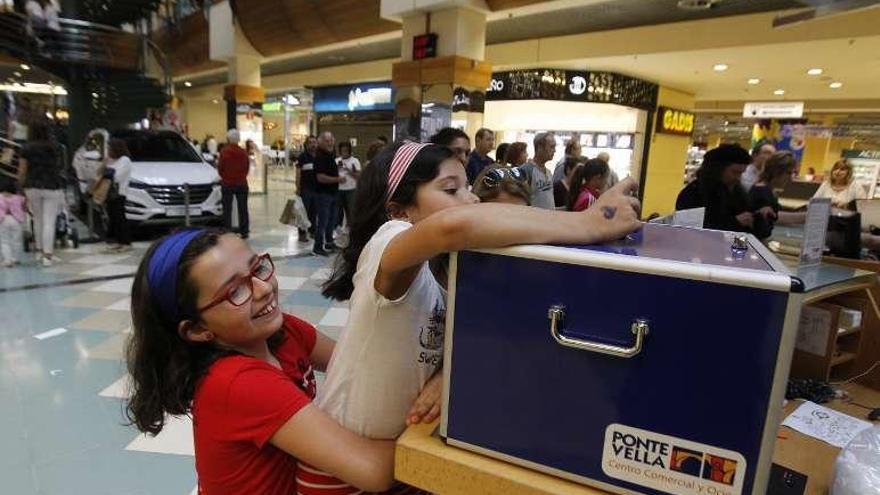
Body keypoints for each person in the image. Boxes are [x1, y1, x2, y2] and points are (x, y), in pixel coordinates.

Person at [316, 141, 641, 493]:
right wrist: (589, 222)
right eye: (451, 189)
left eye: (468, 188)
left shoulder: (448, 274)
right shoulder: (387, 243)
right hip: (343, 464)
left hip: (403, 453)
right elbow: (452, 227)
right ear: (399, 210)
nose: (470, 199)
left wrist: (444, 372)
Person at [125, 229, 402, 495]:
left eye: (257, 269)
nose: (262, 289)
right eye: (235, 292)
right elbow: (372, 470)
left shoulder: (284, 332)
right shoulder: (238, 383)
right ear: (197, 329)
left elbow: (359, 366)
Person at [675, 143, 767, 234]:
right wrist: (734, 222)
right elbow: (687, 230)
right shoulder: (693, 193)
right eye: (735, 172)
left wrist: (759, 215)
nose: (738, 178)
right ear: (718, 169)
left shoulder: (736, 192)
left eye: (741, 173)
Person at [17, 121, 63, 267]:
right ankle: (48, 255)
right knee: (49, 221)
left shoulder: (26, 148)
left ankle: (39, 251)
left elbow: (22, 170)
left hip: (32, 185)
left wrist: (20, 187)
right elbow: (60, 166)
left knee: (37, 219)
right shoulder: (55, 146)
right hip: (52, 185)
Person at [748, 151, 799, 239]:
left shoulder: (766, 189)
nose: (790, 178)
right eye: (788, 173)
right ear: (777, 171)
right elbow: (776, 216)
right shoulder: (762, 191)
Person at [313, 131, 344, 256]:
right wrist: (338, 179)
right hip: (323, 194)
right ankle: (318, 246)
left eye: (331, 140)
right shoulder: (320, 157)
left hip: (333, 193)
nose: (330, 142)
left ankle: (329, 242)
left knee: (332, 220)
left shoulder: (331, 155)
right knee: (323, 222)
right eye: (326, 140)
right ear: (320, 142)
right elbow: (320, 177)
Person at [217, 129, 250, 238]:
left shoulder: (224, 152)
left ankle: (227, 230)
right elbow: (247, 167)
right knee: (243, 208)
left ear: (228, 139)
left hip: (227, 183)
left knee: (227, 209)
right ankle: (244, 231)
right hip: (241, 183)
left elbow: (220, 167)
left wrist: (225, 177)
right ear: (238, 139)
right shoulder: (243, 152)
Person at [103, 138, 133, 253]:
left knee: (120, 217)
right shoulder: (112, 160)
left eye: (110, 148)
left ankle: (126, 242)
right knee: (113, 217)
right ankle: (117, 241)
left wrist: (108, 170)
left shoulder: (125, 160)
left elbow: (117, 176)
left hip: (119, 192)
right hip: (110, 193)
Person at [521, 132, 557, 209]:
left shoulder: (549, 172)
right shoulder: (526, 170)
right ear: (539, 147)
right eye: (551, 147)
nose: (554, 150)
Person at [295, 136, 319, 241]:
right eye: (311, 143)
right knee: (303, 212)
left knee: (314, 212)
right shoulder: (302, 157)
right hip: (306, 189)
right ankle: (302, 233)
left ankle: (313, 231)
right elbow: (298, 173)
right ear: (307, 144)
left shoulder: (320, 156)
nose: (313, 145)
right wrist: (298, 187)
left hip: (317, 189)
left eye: (315, 142)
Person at [336, 141, 361, 231]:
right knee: (338, 212)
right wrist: (337, 178)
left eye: (346, 150)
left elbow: (358, 176)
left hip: (351, 190)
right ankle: (337, 231)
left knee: (351, 212)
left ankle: (350, 230)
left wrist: (348, 170)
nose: (344, 152)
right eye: (342, 150)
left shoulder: (355, 161)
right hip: (338, 189)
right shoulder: (337, 161)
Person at [0, 182, 25, 267]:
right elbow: (24, 204)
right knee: (17, 241)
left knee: (4, 241)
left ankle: (7, 260)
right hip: (17, 220)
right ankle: (15, 259)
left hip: (3, 220)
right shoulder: (19, 198)